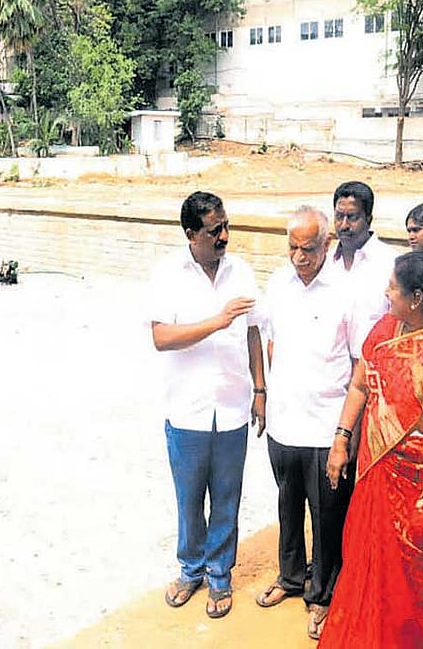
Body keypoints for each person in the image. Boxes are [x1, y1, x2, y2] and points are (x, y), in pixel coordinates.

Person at [321, 251, 423, 649]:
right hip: (379, 474)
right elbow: (359, 386)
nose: (386, 292)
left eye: (393, 287)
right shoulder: (384, 330)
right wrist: (342, 440)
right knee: (366, 567)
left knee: (420, 578)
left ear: (417, 297)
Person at [148, 191, 266, 620]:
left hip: (233, 406)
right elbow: (162, 337)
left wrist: (260, 390)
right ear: (191, 234)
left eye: (226, 226)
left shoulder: (242, 272)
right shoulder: (167, 275)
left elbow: (253, 333)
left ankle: (219, 576)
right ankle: (190, 570)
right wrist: (218, 320)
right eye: (215, 230)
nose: (225, 237)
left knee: (227, 499)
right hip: (187, 409)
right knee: (189, 499)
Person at [254, 207, 362, 641]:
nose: (299, 257)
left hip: (325, 428)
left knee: (327, 515)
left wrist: (345, 434)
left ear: (328, 244)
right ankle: (291, 576)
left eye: (309, 248)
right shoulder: (278, 284)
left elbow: (360, 364)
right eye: (293, 247)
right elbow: (268, 338)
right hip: (284, 423)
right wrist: (266, 391)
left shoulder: (346, 292)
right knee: (287, 506)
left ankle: (322, 595)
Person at [330, 180, 398, 324]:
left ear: (369, 219)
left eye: (352, 217)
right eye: (339, 216)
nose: (344, 225)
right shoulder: (324, 263)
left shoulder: (391, 264)